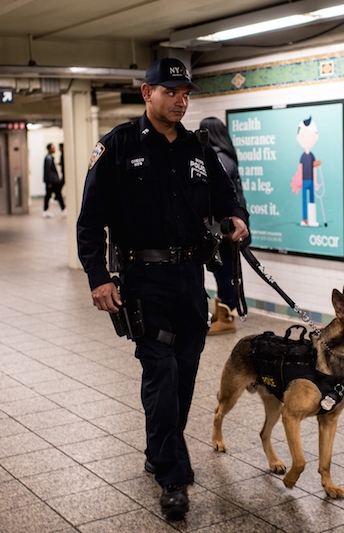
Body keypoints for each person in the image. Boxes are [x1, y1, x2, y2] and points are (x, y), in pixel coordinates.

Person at [77, 57, 248, 521]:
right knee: (162, 373)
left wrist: (236, 217)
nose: (180, 99)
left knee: (186, 373)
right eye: (170, 91)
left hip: (189, 282)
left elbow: (225, 194)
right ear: (145, 92)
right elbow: (90, 222)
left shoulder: (197, 149)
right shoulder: (116, 147)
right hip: (142, 282)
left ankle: (158, 449)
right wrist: (98, 277)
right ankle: (173, 477)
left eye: (185, 92)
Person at [198, 117, 250, 335]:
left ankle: (227, 315)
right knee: (224, 269)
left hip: (226, 229)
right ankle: (224, 311)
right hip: (227, 228)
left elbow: (216, 196)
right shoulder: (226, 156)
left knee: (225, 270)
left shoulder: (218, 159)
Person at [42, 143, 66, 217]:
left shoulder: (50, 157)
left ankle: (46, 210)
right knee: (56, 194)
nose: (54, 149)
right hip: (52, 181)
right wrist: (49, 182)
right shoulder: (49, 158)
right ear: (50, 149)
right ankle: (63, 209)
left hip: (52, 180)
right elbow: (48, 170)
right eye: (53, 148)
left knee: (51, 195)